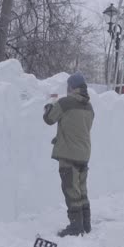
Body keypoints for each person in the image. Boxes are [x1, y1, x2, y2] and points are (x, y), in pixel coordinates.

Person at [43, 72, 94, 237]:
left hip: (69, 156)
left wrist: (49, 106)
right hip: (84, 154)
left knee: (71, 191)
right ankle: (86, 223)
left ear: (71, 87)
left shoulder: (65, 102)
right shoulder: (89, 107)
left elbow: (49, 119)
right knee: (81, 190)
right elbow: (78, 129)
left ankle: (75, 226)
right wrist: (60, 138)